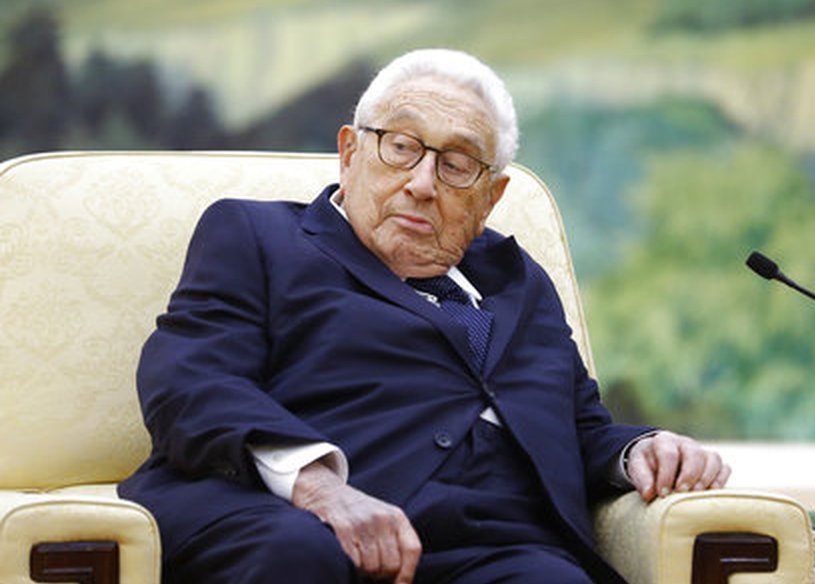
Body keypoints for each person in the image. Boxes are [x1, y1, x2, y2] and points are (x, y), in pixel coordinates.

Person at [118, 48, 730, 584]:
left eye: (457, 164)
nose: (421, 184)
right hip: (293, 522)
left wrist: (643, 451)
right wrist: (321, 487)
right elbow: (191, 382)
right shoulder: (257, 236)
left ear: (491, 196)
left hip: (491, 546)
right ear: (350, 152)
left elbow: (576, 429)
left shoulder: (521, 283)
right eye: (402, 147)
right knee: (297, 552)